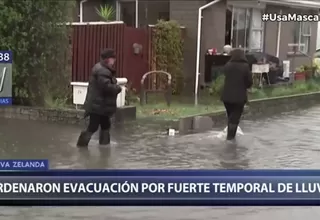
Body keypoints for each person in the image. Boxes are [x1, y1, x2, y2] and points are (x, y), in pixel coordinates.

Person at [76, 48, 121, 147]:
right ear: (108, 59)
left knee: (105, 125)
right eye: (113, 58)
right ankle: (81, 146)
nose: (114, 61)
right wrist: (117, 88)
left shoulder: (102, 68)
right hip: (97, 106)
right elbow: (106, 86)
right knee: (93, 126)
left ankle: (104, 147)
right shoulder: (102, 70)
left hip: (101, 105)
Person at [221, 48, 253, 140]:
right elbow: (249, 82)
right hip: (239, 98)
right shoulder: (245, 66)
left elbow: (225, 76)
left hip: (226, 97)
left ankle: (230, 136)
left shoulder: (228, 65)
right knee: (235, 118)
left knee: (230, 117)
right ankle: (230, 139)